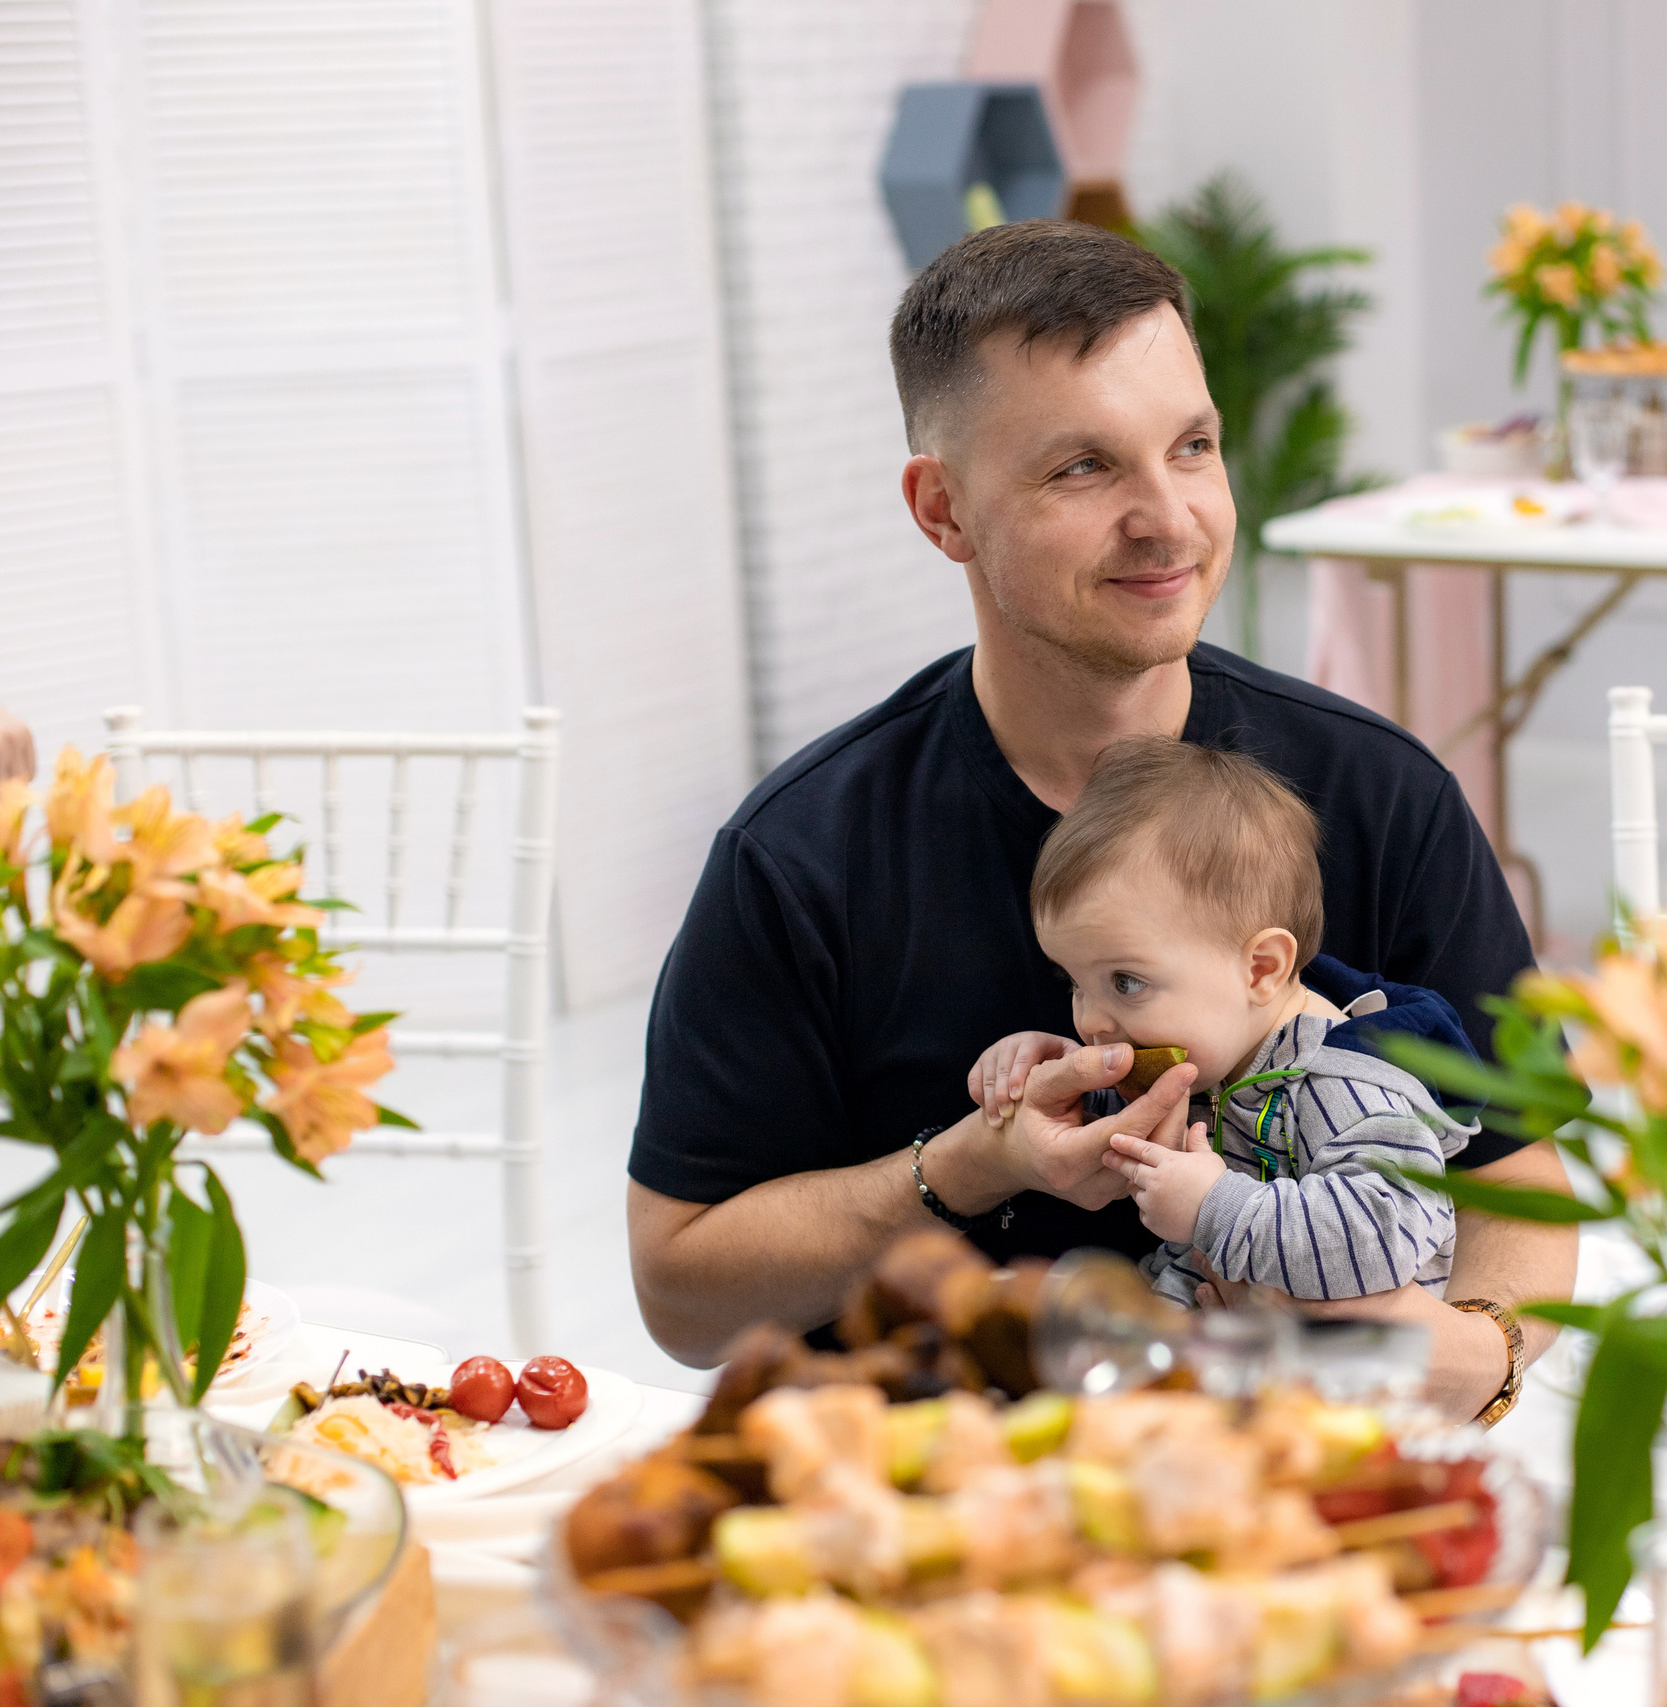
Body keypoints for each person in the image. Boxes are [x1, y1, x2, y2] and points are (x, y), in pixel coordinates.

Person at [626, 219, 1573, 1420]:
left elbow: (1515, 1181)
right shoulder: (801, 856)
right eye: (1083, 468)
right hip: (945, 1492)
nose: (1169, 518)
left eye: (1192, 447)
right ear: (944, 511)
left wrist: (1470, 1356)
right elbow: (679, 1296)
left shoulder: (1382, 792)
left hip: (1296, 1475)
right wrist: (965, 1168)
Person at [974, 735, 1473, 1307]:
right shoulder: (1218, 1049)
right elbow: (1122, 1131)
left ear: (1261, 969)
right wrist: (1053, 1078)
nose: (1091, 1021)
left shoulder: (1349, 1085)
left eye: (1126, 982)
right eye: (1074, 984)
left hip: (1337, 1379)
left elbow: (1386, 1235)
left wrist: (1214, 1206)